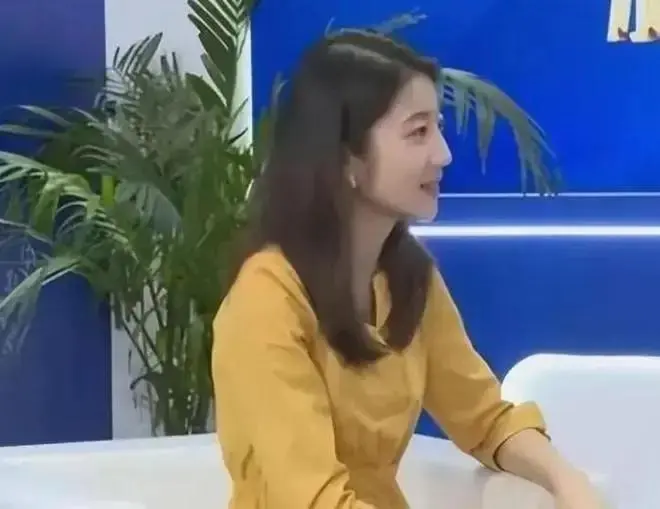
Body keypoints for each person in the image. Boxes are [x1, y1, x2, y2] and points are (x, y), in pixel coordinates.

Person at [212, 29, 604, 509]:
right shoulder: (265, 302)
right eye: (418, 133)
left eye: (437, 127)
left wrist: (569, 484)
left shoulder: (408, 278)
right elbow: (315, 501)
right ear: (346, 158)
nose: (443, 154)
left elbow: (486, 420)